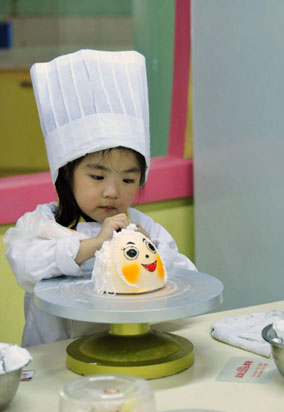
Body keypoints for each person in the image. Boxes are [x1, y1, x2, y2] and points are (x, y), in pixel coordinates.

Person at [4, 49, 197, 347]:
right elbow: (25, 266)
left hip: (123, 351)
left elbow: (187, 280)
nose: (112, 192)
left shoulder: (143, 226)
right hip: (52, 357)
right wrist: (93, 245)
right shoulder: (43, 223)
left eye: (128, 180)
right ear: (67, 174)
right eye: (97, 177)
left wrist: (150, 252)